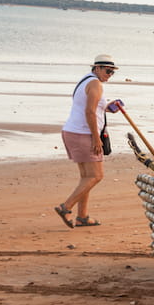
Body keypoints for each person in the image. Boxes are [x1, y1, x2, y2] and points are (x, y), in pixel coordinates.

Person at [54, 55, 122, 228]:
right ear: (97, 68)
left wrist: (108, 108)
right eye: (108, 71)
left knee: (86, 177)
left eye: (112, 72)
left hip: (72, 131)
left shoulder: (85, 80)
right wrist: (96, 137)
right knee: (96, 176)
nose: (109, 75)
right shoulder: (95, 84)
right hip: (83, 134)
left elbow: (91, 107)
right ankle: (66, 207)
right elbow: (89, 112)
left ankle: (82, 217)